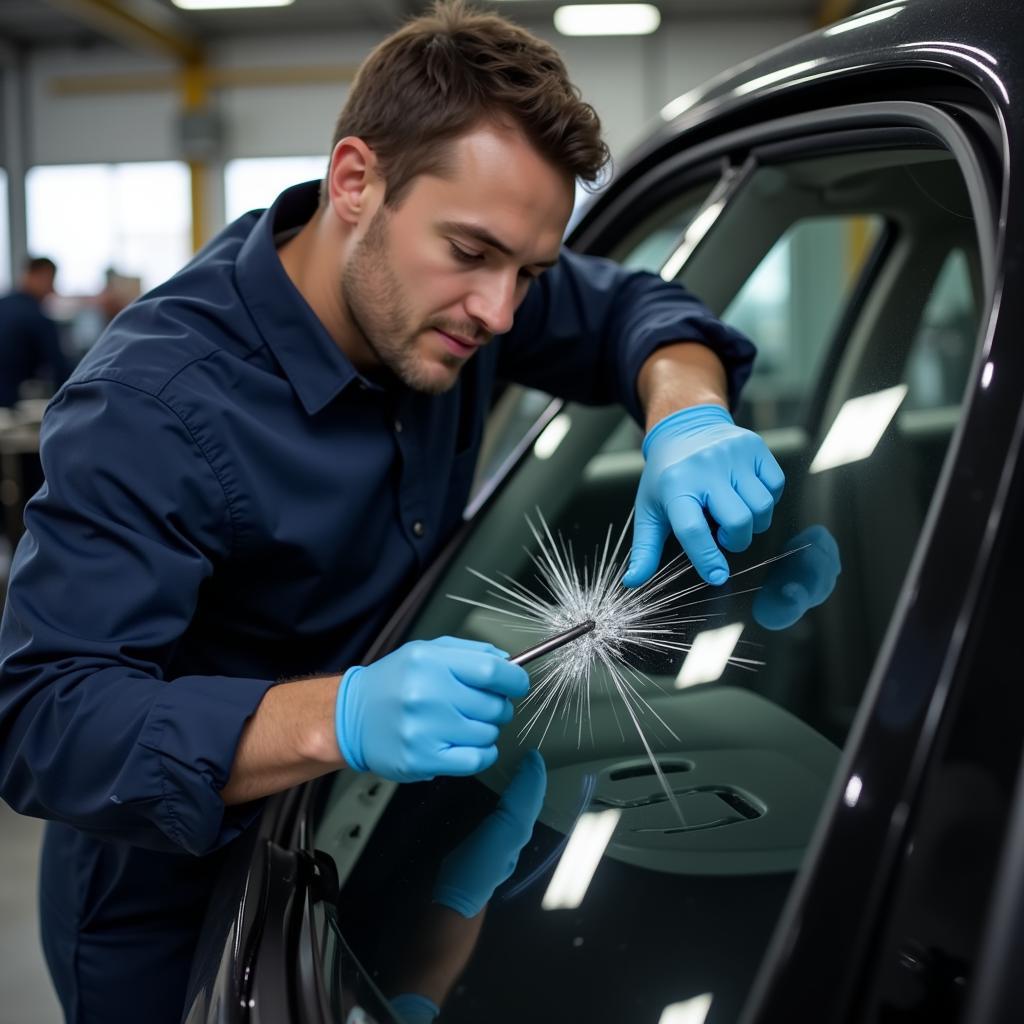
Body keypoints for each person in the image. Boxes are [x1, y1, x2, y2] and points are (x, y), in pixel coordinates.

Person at [0, 3, 785, 1022]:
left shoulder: (453, 292)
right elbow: (46, 723)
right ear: (356, 182)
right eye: (472, 253)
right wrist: (338, 712)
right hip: (176, 910)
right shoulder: (153, 406)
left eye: (527, 272)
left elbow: (631, 311)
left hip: (360, 842)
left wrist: (686, 410)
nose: (501, 313)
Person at [0, 256, 69, 408]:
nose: (52, 289)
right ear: (39, 276)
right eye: (50, 281)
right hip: (8, 404)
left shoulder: (3, 304)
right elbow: (60, 369)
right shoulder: (37, 318)